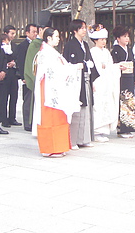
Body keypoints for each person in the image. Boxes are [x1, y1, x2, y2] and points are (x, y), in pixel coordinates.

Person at [33, 27, 83, 157]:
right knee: (50, 118)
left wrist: (72, 68)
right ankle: (50, 148)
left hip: (56, 89)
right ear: (48, 38)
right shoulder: (45, 53)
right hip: (49, 91)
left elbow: (62, 68)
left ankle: (59, 146)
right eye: (56, 36)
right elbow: (55, 71)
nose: (58, 39)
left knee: (59, 117)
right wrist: (73, 68)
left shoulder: (52, 52)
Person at [63, 19, 99, 149]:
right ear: (75, 30)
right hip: (76, 80)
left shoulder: (85, 44)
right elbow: (69, 64)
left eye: (85, 28)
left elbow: (90, 61)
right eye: (82, 28)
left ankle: (84, 138)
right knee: (77, 108)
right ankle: (73, 140)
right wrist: (84, 65)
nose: (84, 30)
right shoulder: (70, 45)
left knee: (87, 108)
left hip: (86, 78)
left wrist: (92, 79)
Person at [89, 24, 120, 142]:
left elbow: (110, 65)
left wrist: (116, 67)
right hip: (98, 81)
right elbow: (94, 68)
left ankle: (104, 130)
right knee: (98, 106)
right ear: (95, 40)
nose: (103, 42)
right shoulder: (93, 52)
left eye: (104, 39)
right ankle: (96, 131)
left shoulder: (106, 52)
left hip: (107, 81)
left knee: (107, 104)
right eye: (101, 39)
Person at [111, 25, 135, 138]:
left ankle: (129, 127)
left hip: (130, 77)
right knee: (122, 103)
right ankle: (121, 129)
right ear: (118, 38)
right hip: (121, 78)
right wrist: (118, 66)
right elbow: (113, 65)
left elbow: (134, 65)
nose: (127, 39)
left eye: (128, 36)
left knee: (129, 103)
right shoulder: (115, 51)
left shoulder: (129, 50)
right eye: (124, 36)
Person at [15, 23, 37, 131]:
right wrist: (23, 76)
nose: (35, 34)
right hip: (27, 76)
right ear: (27, 33)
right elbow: (21, 62)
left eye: (36, 31)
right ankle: (27, 123)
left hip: (35, 75)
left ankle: (33, 120)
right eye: (33, 31)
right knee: (28, 99)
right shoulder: (23, 46)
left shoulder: (37, 44)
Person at [23, 25, 45, 131]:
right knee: (29, 100)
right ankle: (28, 122)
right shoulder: (34, 44)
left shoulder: (44, 44)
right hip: (32, 76)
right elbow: (29, 61)